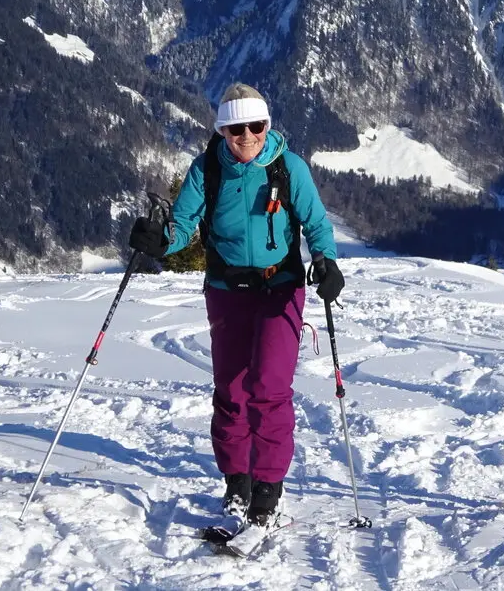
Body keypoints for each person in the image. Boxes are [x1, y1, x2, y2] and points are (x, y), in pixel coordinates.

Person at [128, 83, 344, 525]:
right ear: (222, 130)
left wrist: (326, 262)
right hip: (226, 291)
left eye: (256, 126)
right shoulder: (207, 169)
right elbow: (183, 224)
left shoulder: (289, 168)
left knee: (268, 388)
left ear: (268, 125)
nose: (246, 136)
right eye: (235, 128)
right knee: (231, 390)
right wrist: (158, 241)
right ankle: (236, 482)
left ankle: (268, 487)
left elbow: (316, 223)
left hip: (280, 287)